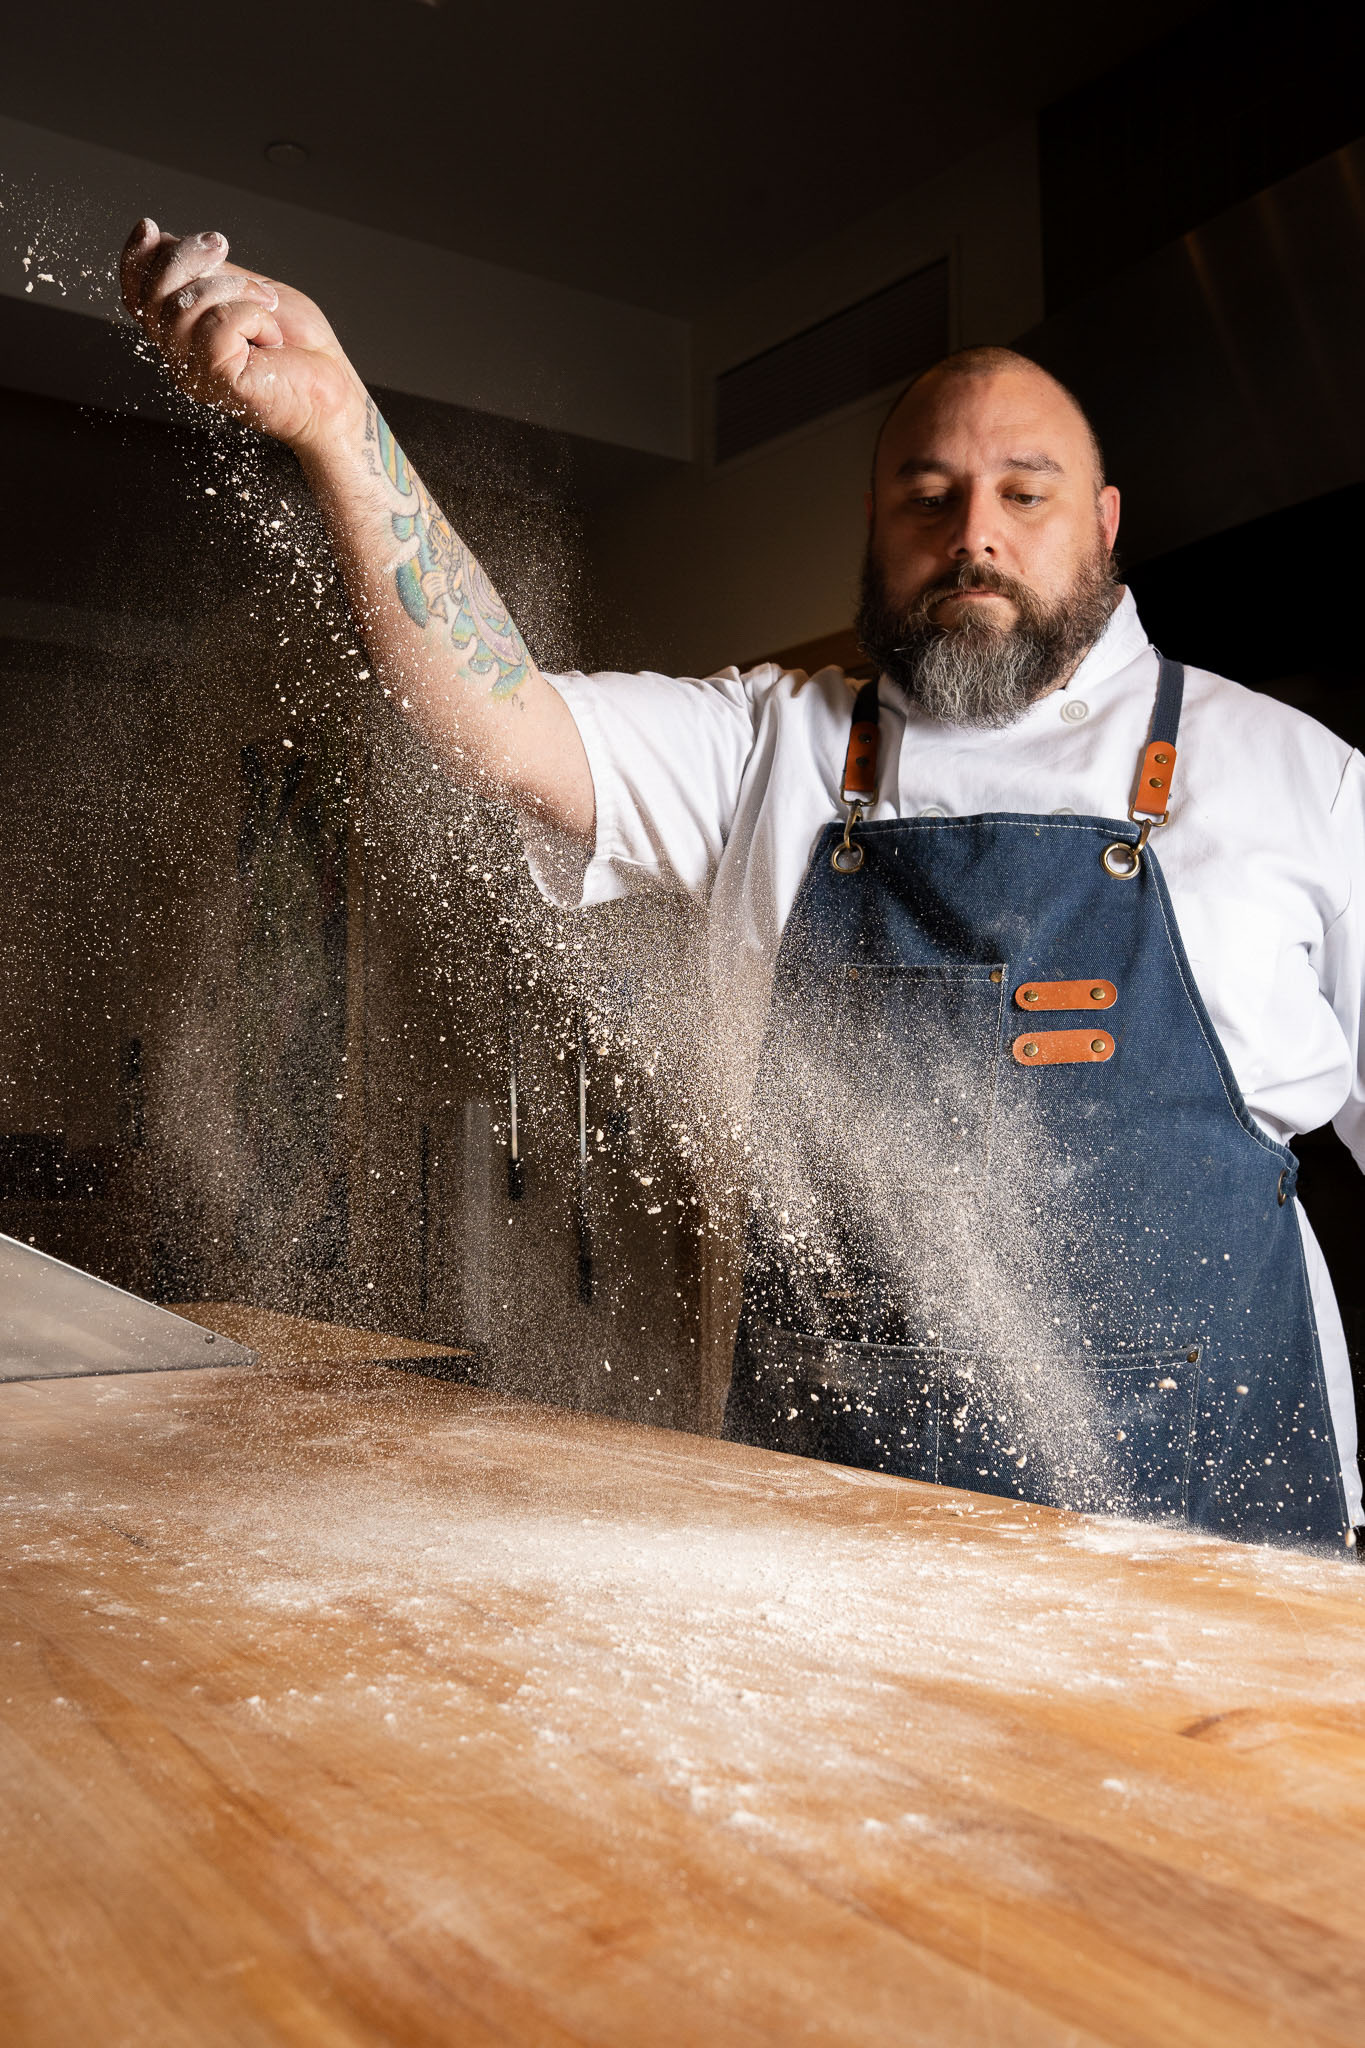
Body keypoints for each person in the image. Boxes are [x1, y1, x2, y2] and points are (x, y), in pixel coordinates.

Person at [120, 220, 1365, 1546]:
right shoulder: (771, 744)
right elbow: (504, 725)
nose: (971, 535)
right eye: (925, 494)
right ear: (876, 523)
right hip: (831, 1557)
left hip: (1221, 1564)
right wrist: (334, 421)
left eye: (1024, 491)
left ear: (1104, 524)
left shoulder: (1297, 782)